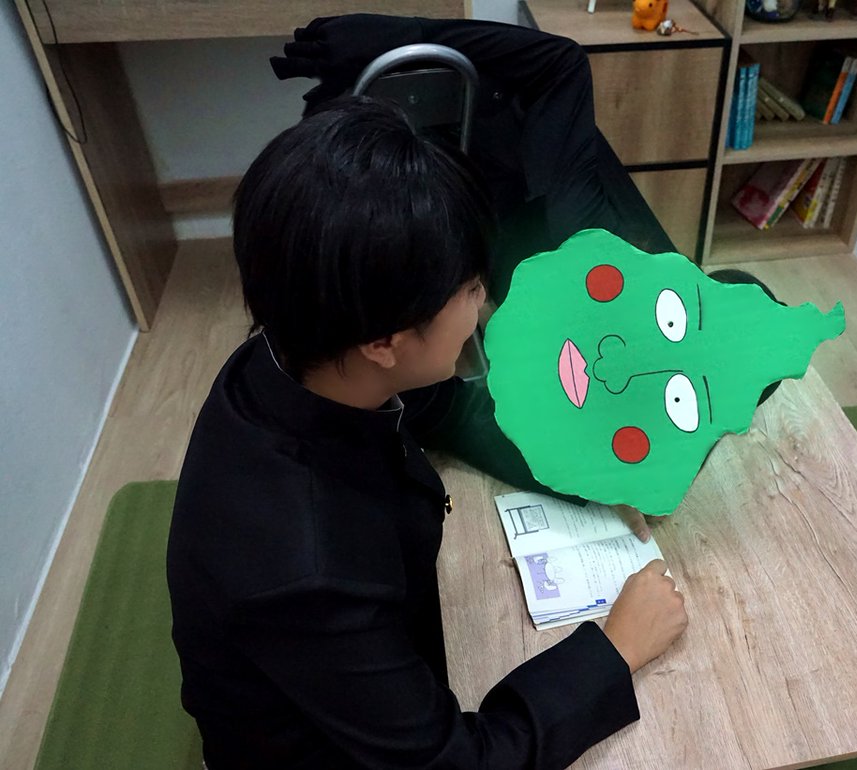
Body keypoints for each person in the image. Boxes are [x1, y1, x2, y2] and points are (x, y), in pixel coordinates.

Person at [165, 96, 688, 769]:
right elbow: (456, 763)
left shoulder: (297, 349)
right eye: (469, 289)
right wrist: (615, 651)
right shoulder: (307, 571)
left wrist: (587, 469)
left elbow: (442, 406)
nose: (483, 303)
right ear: (383, 341)